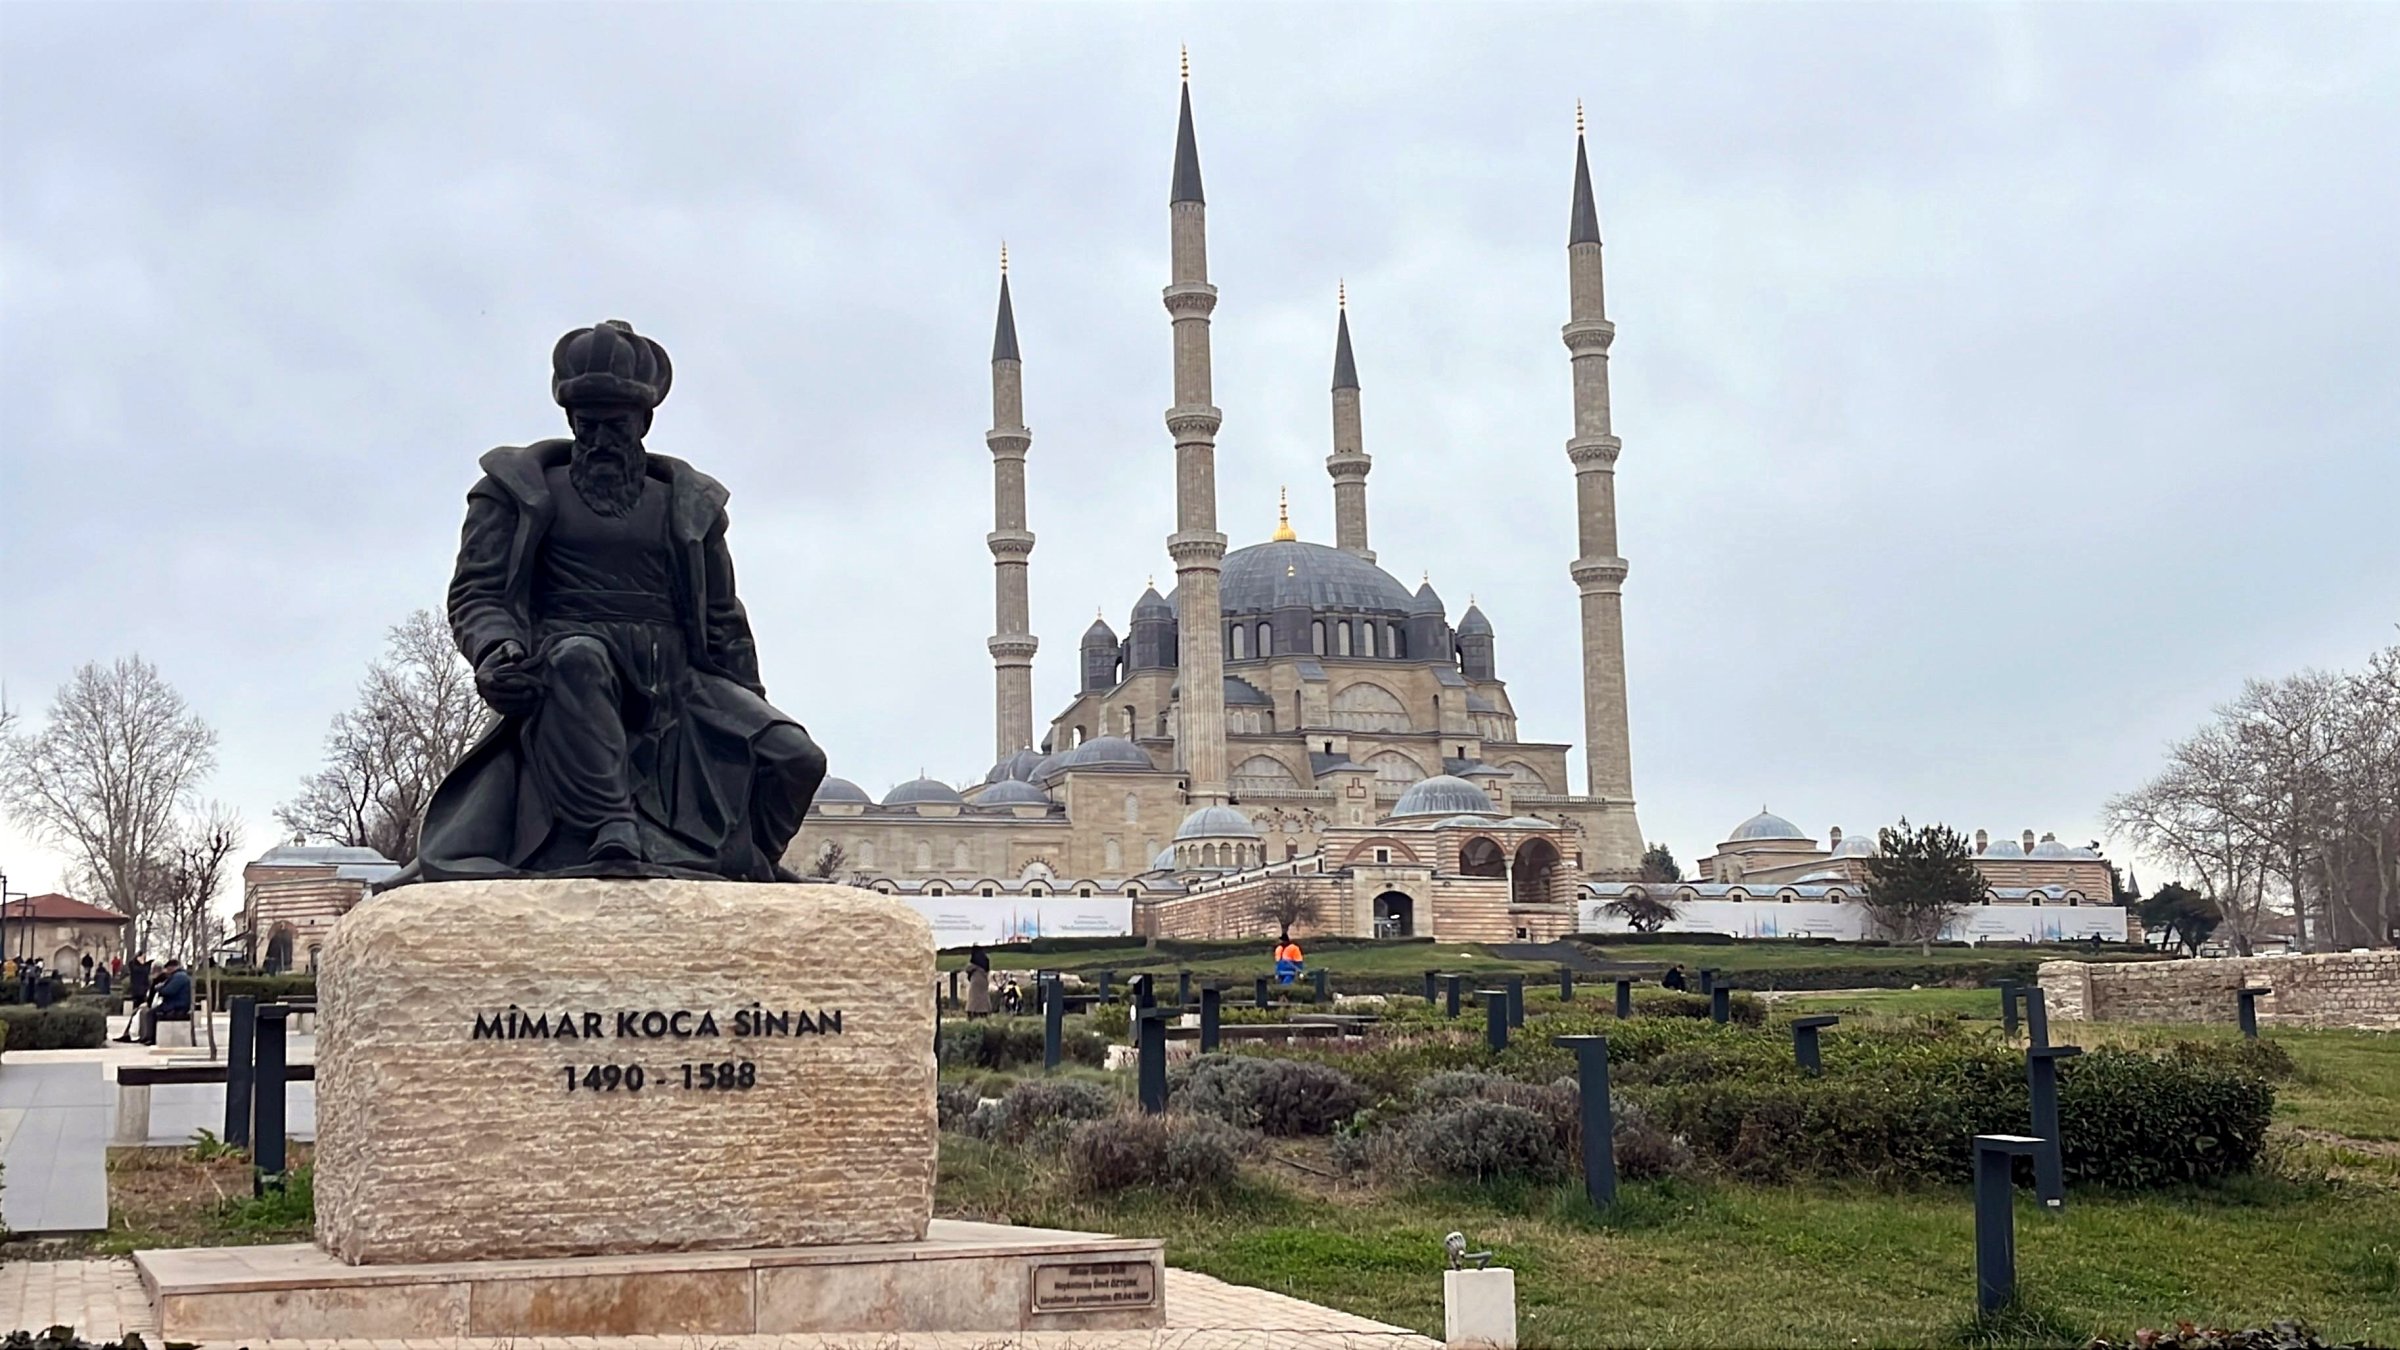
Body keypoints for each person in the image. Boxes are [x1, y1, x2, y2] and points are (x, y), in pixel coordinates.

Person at [394, 320, 827, 885]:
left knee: (797, 756)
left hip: (678, 680)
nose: (599, 441)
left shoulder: (689, 507)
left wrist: (749, 704)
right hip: (569, 665)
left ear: (643, 423)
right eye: (586, 425)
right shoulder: (516, 490)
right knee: (579, 658)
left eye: (615, 426)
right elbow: (479, 593)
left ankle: (748, 861)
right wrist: (496, 651)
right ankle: (611, 829)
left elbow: (724, 620)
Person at [144, 959, 193, 1045]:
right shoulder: (179, 975)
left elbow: (168, 991)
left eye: (167, 969)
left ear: (171, 968)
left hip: (177, 1006)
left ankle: (151, 1038)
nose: (166, 971)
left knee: (151, 1013)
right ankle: (150, 1037)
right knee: (152, 1012)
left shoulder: (179, 977)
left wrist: (159, 988)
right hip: (177, 1004)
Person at [965, 944, 993, 1018]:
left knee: (973, 999)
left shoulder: (974, 961)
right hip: (984, 980)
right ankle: (984, 1012)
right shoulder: (985, 960)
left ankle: (973, 1013)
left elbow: (968, 969)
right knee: (983, 997)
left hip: (975, 981)